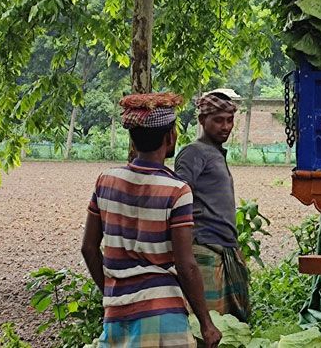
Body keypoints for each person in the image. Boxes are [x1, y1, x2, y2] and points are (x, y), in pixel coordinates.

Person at [81, 92, 222, 348]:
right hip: (162, 316)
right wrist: (206, 323)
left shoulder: (106, 181)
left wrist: (113, 293)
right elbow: (186, 264)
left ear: (132, 140)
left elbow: (88, 248)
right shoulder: (176, 190)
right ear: (170, 137)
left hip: (116, 315)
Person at [174, 91, 251, 323]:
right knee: (205, 325)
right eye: (218, 120)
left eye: (229, 120)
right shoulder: (193, 152)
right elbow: (178, 197)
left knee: (229, 325)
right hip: (204, 250)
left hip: (225, 249)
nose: (225, 126)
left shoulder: (215, 153)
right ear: (201, 121)